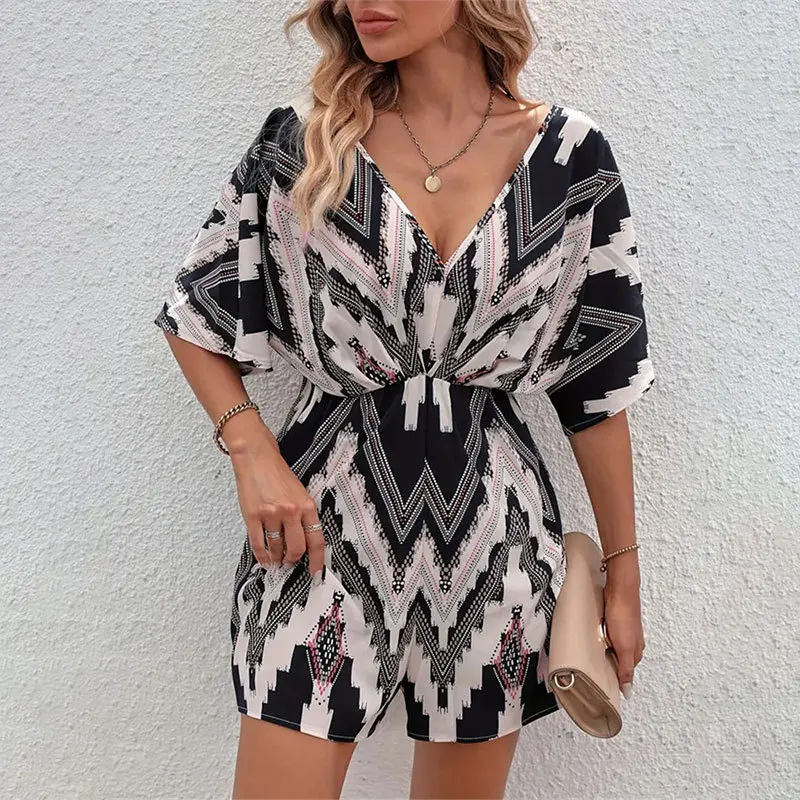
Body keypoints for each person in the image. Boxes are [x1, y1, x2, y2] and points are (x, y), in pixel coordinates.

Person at [153, 1, 653, 797]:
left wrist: (623, 578)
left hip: (495, 549)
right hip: (318, 534)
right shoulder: (305, 143)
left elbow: (600, 385)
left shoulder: (570, 158)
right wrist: (252, 452)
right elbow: (196, 313)